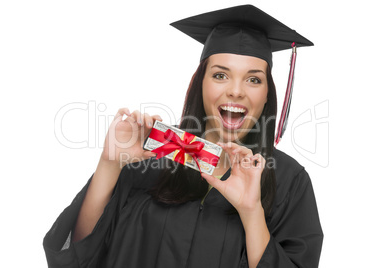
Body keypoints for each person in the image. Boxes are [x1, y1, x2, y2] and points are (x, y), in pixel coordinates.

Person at [43, 5, 323, 268]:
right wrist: (109, 165)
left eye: (253, 79)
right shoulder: (153, 153)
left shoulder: (288, 181)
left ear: (267, 95)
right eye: (220, 75)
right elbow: (80, 257)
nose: (236, 91)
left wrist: (252, 214)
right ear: (200, 83)